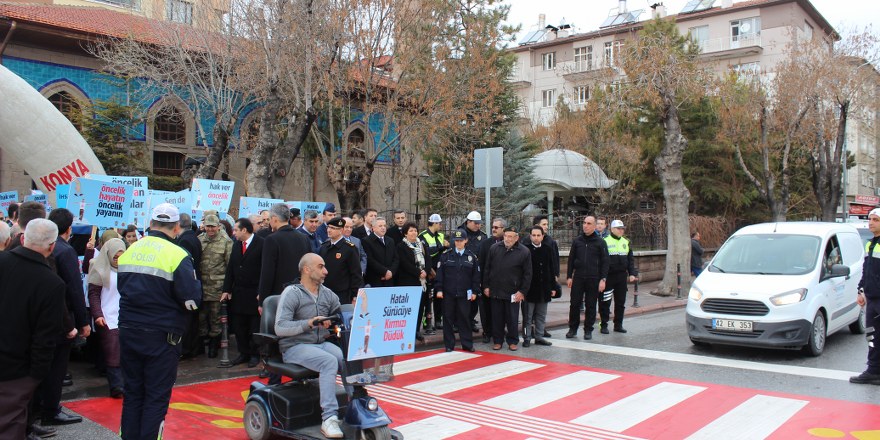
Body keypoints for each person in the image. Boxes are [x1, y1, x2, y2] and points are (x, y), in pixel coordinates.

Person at [117, 203, 202, 440]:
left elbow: (122, 288)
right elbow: (191, 301)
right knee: (156, 397)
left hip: (128, 329)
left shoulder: (130, 249)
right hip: (162, 335)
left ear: (151, 223)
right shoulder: (178, 254)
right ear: (176, 228)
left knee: (133, 393)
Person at [0, 219, 66, 440]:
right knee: (9, 426)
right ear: (52, 246)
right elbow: (45, 337)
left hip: (17, 368)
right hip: (17, 372)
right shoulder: (51, 283)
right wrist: (36, 375)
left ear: (21, 238)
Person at [275, 254, 345, 439]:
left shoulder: (327, 293)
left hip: (319, 344)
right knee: (329, 361)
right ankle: (329, 418)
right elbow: (280, 327)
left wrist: (337, 323)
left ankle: (356, 405)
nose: (326, 271)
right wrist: (309, 323)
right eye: (321, 267)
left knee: (346, 358)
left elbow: (341, 314)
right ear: (307, 269)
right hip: (294, 347)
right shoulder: (292, 293)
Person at [39, 208, 89, 427]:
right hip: (62, 317)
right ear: (69, 229)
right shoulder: (65, 251)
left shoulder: (44, 247)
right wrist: (83, 321)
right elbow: (74, 289)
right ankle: (51, 409)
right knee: (57, 367)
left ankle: (41, 407)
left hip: (42, 316)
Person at [87, 238, 128, 398]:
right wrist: (97, 315)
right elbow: (94, 294)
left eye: (121, 257)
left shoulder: (128, 269)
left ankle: (125, 383)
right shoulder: (99, 268)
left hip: (125, 316)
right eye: (115, 257)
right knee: (112, 351)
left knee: (125, 351)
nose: (118, 261)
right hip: (106, 316)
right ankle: (116, 386)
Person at [221, 218, 264, 368]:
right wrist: (226, 289)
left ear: (244, 230)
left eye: (236, 230)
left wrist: (261, 292)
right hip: (238, 293)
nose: (234, 233)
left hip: (254, 293)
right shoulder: (236, 244)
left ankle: (254, 354)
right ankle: (243, 352)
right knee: (239, 326)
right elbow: (230, 268)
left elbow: (265, 271)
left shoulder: (261, 243)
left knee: (253, 327)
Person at [483, 227, 532, 351]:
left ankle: (512, 341)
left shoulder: (524, 251)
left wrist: (522, 291)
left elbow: (528, 274)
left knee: (512, 318)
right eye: (506, 236)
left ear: (516, 238)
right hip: (496, 290)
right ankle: (498, 341)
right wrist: (486, 286)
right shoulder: (494, 248)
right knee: (497, 318)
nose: (507, 239)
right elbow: (487, 269)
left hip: (513, 292)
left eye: (510, 236)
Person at [434, 230, 480, 352]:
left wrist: (475, 292)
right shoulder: (446, 255)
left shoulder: (471, 257)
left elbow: (475, 276)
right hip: (448, 293)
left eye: (461, 240)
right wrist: (439, 289)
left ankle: (467, 344)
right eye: (456, 240)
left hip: (465, 294)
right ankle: (449, 345)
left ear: (466, 241)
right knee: (448, 319)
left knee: (464, 319)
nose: (458, 243)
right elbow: (440, 275)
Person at [258, 203, 311, 306]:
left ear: (274, 218)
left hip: (278, 296)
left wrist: (262, 301)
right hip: (301, 294)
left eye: (269, 219)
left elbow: (267, 272)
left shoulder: (272, 239)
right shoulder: (304, 238)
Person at [566, 216, 609, 341]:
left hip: (593, 278)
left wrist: (603, 279)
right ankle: (572, 329)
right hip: (578, 277)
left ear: (595, 226)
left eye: (589, 223)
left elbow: (605, 262)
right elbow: (571, 259)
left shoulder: (600, 242)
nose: (585, 225)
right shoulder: (577, 241)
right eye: (584, 223)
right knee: (574, 304)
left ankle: (588, 330)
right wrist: (569, 276)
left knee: (591, 305)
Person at [852, 208, 880, 385]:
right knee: (872, 336)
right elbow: (866, 270)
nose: (871, 223)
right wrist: (861, 290)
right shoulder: (870, 244)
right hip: (872, 300)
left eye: (876, 220)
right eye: (870, 219)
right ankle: (873, 371)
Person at [199, 214, 232, 359]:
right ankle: (203, 342)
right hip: (201, 287)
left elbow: (230, 266)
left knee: (216, 318)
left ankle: (214, 345)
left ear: (218, 226)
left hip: (217, 288)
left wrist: (227, 288)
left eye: (213, 226)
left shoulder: (226, 242)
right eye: (208, 226)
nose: (210, 229)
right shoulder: (199, 240)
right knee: (201, 317)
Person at [396, 222, 431, 343]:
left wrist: (425, 271)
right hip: (408, 281)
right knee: (409, 309)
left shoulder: (421, 245)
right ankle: (407, 331)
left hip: (422, 282)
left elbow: (428, 260)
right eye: (411, 231)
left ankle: (416, 330)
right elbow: (404, 263)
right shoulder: (401, 246)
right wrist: (418, 272)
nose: (414, 233)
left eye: (415, 230)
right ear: (405, 233)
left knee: (420, 307)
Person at [602, 220, 638, 334]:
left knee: (620, 302)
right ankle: (604, 325)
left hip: (621, 277)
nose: (621, 230)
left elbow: (630, 260)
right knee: (605, 302)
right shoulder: (604, 241)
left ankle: (618, 325)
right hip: (609, 277)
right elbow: (601, 261)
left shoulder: (626, 242)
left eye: (622, 228)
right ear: (612, 229)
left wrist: (632, 273)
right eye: (619, 228)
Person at [177, 213, 204, 359]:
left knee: (188, 320)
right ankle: (192, 347)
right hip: (195, 281)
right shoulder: (193, 237)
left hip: (189, 282)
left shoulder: (185, 240)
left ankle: (187, 349)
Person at [318, 217, 363, 305]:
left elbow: (356, 273)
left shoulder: (349, 248)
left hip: (342, 293)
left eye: (333, 228)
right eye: (328, 227)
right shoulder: (324, 247)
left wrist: (354, 295)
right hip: (324, 291)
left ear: (341, 230)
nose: (329, 230)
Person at [523, 226, 555, 347]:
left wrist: (553, 287)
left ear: (542, 236)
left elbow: (551, 268)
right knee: (528, 316)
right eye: (534, 235)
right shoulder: (525, 250)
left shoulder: (547, 249)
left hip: (544, 288)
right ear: (530, 236)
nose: (536, 238)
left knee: (541, 315)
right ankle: (527, 337)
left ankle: (539, 336)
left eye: (538, 235)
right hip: (530, 289)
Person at [419, 213, 447, 335]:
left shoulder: (441, 235)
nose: (441, 226)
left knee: (439, 296)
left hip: (440, 269)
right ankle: (427, 323)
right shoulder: (422, 236)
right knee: (427, 298)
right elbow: (425, 253)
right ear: (434, 223)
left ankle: (438, 320)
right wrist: (429, 270)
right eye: (440, 223)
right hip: (429, 270)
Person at [477, 218, 505, 343]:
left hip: (503, 284)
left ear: (503, 229)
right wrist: (484, 285)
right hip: (488, 283)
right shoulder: (485, 243)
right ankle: (487, 332)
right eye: (493, 227)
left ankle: (499, 331)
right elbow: (482, 265)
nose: (493, 229)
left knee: (501, 310)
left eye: (496, 227)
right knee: (486, 310)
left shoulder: (508, 242)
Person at [460, 211, 487, 333]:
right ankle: (459, 322)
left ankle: (470, 321)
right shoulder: (460, 233)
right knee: (461, 299)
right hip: (462, 271)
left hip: (477, 272)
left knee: (474, 299)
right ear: (468, 222)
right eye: (475, 223)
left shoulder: (483, 236)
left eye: (479, 223)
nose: (478, 226)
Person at [362, 217, 398, 288]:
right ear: (373, 228)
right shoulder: (366, 241)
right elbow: (370, 260)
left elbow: (396, 258)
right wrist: (385, 271)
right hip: (375, 280)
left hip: (389, 279)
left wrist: (391, 272)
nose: (383, 228)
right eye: (380, 226)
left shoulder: (390, 240)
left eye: (384, 226)